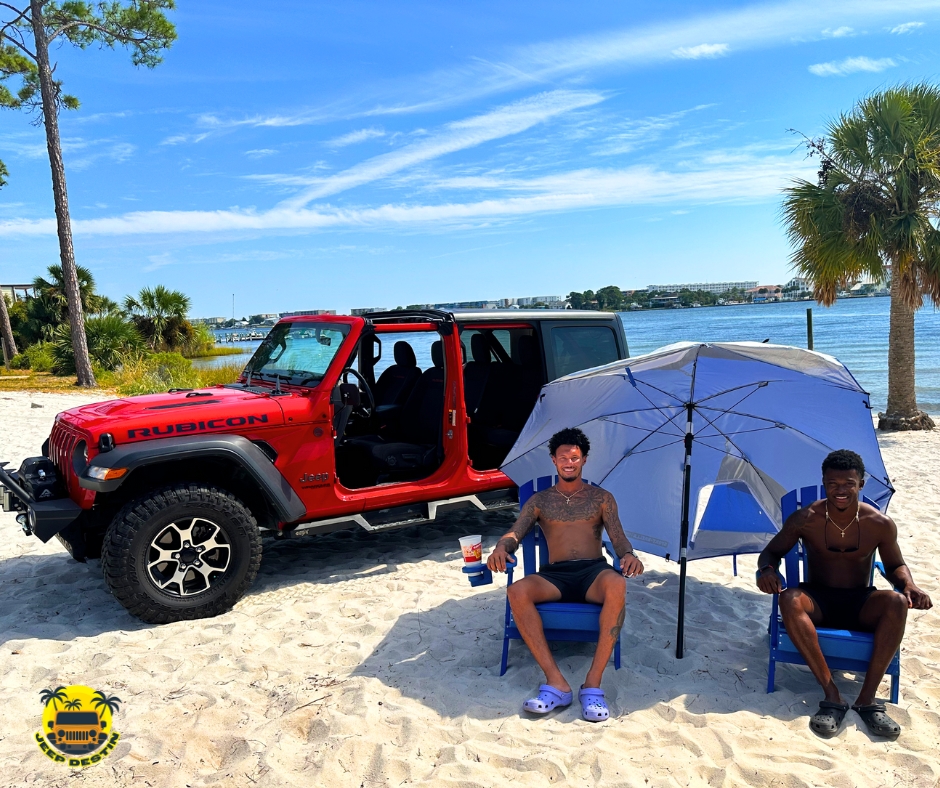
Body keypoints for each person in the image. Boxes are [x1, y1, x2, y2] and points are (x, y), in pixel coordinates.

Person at [756, 449, 932, 739]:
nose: (841, 490)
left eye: (848, 484)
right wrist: (767, 571)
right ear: (824, 483)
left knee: (897, 601)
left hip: (860, 602)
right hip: (819, 601)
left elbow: (895, 565)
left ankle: (867, 699)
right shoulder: (805, 519)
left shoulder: (879, 524)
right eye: (833, 484)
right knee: (789, 599)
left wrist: (909, 585)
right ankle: (832, 695)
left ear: (861, 484)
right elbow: (771, 553)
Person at [487, 427, 643, 722]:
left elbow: (619, 537)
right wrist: (500, 547)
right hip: (555, 576)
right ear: (553, 460)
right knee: (517, 591)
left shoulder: (602, 498)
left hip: (592, 572)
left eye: (575, 457)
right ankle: (556, 683)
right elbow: (516, 533)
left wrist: (628, 555)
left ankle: (593, 685)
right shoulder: (540, 501)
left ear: (584, 459)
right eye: (563, 458)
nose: (569, 463)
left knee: (617, 585)